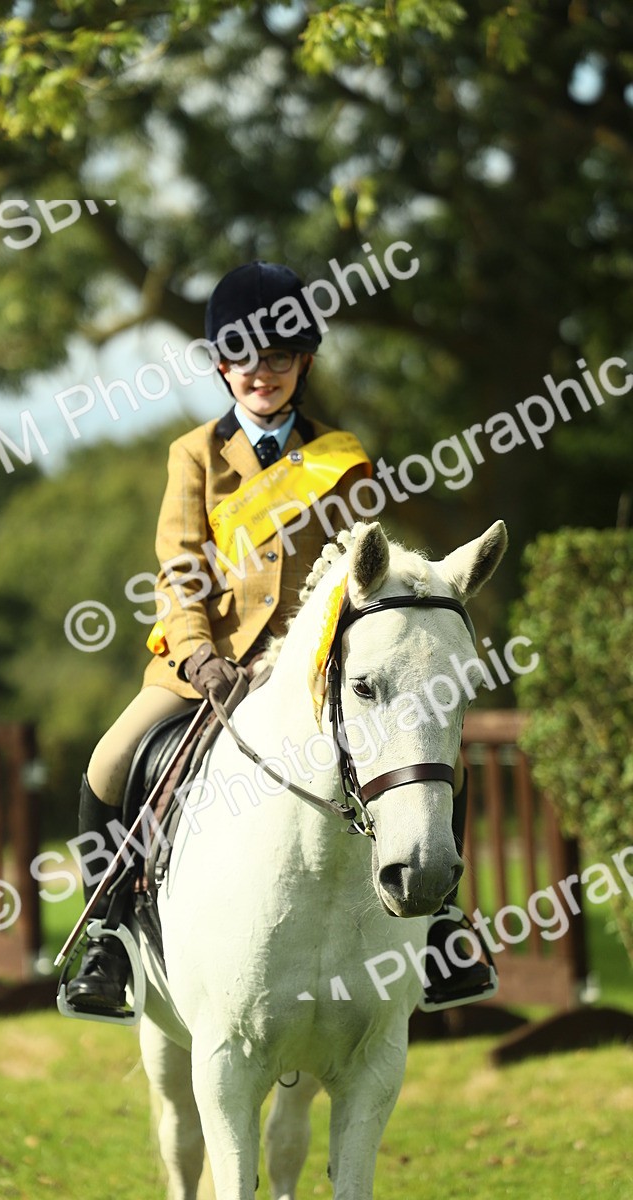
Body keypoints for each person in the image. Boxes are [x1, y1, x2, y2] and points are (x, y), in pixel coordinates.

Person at [65, 260, 494, 1015]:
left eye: (279, 359)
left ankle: (443, 929)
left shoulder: (340, 457)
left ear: (304, 362)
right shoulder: (194, 455)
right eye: (245, 359)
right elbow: (178, 569)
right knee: (108, 764)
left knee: (424, 758)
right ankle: (108, 936)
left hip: (310, 665)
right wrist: (199, 655)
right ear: (221, 364)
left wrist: (312, 653)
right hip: (202, 663)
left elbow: (366, 573)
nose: (261, 374)